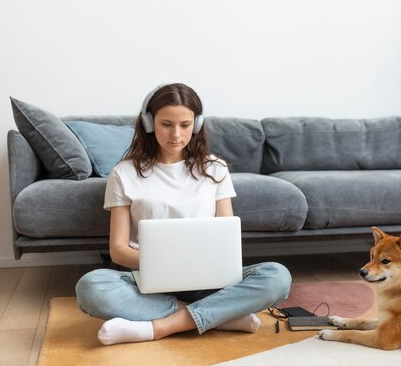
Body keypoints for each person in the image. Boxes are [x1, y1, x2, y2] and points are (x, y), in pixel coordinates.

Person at [75, 83, 292, 345]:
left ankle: (158, 328)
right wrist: (167, 264)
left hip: (207, 279)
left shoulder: (215, 169)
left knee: (278, 276)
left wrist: (199, 264)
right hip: (147, 280)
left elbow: (226, 240)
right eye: (166, 124)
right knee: (91, 288)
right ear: (148, 122)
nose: (176, 134)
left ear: (197, 124)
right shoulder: (124, 173)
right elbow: (119, 250)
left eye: (185, 125)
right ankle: (221, 315)